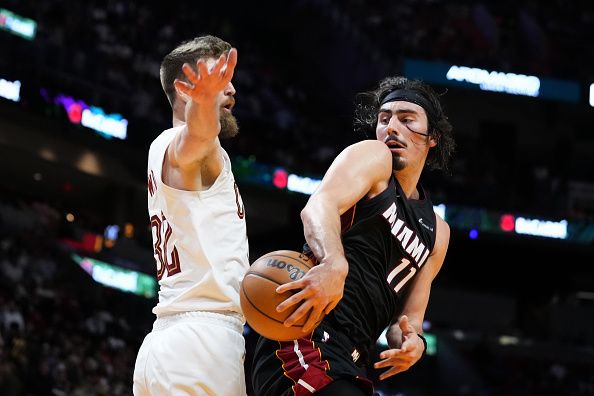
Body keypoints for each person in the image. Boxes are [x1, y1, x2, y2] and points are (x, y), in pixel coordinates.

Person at [251, 76, 455, 395]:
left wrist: (412, 341)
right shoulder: (374, 159)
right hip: (305, 336)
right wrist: (334, 262)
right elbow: (319, 206)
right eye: (384, 119)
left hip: (351, 359)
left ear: (433, 138)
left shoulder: (438, 232)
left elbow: (409, 320)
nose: (391, 127)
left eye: (406, 119)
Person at [133, 35, 250, 395]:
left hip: (169, 341)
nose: (230, 90)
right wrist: (203, 113)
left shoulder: (164, 147)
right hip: (203, 344)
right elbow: (197, 138)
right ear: (186, 91)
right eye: (218, 79)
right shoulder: (189, 143)